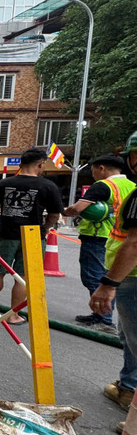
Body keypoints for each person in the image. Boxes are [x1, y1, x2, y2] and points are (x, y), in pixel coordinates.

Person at [0, 148, 63, 324]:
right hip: (32, 236)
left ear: (21, 164)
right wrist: (45, 228)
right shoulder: (48, 186)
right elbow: (54, 215)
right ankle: (13, 315)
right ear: (40, 164)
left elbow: (1, 206)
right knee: (23, 276)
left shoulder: (4, 184)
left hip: (6, 233)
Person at [89, 141, 137, 417]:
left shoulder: (124, 191)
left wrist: (108, 285)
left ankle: (130, 393)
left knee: (134, 338)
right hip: (128, 275)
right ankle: (128, 385)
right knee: (128, 335)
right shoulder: (130, 188)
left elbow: (133, 243)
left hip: (131, 276)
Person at [63, 155, 134, 334]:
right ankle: (99, 314)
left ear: (101, 168)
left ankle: (104, 319)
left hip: (96, 235)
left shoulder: (103, 186)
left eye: (93, 170)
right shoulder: (132, 186)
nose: (93, 174)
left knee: (93, 276)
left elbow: (77, 209)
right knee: (108, 278)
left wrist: (62, 211)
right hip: (119, 239)